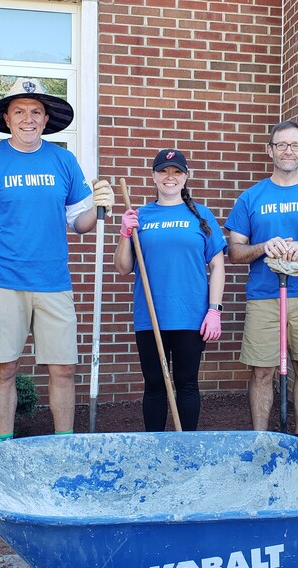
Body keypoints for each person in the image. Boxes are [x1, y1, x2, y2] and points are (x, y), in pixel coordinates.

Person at [0, 78, 114, 440]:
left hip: (53, 283)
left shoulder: (63, 160)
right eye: (19, 111)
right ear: (7, 118)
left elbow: (79, 223)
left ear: (46, 120)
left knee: (63, 369)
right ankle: (5, 447)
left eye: (35, 112)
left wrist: (99, 206)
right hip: (2, 281)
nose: (28, 118)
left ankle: (64, 445)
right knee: (6, 369)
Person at [225, 120, 298, 438]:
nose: (288, 150)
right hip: (264, 295)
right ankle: (261, 440)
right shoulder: (250, 198)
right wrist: (264, 246)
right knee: (261, 371)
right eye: (281, 144)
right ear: (270, 150)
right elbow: (234, 252)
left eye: (295, 145)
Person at [114, 149, 227, 431]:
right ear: (154, 176)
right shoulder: (140, 215)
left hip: (190, 315)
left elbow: (218, 265)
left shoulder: (201, 215)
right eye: (164, 171)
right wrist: (125, 234)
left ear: (186, 177)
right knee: (154, 385)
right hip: (150, 316)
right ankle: (155, 449)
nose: (170, 177)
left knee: (187, 383)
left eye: (176, 172)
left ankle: (185, 449)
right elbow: (123, 267)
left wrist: (214, 311)